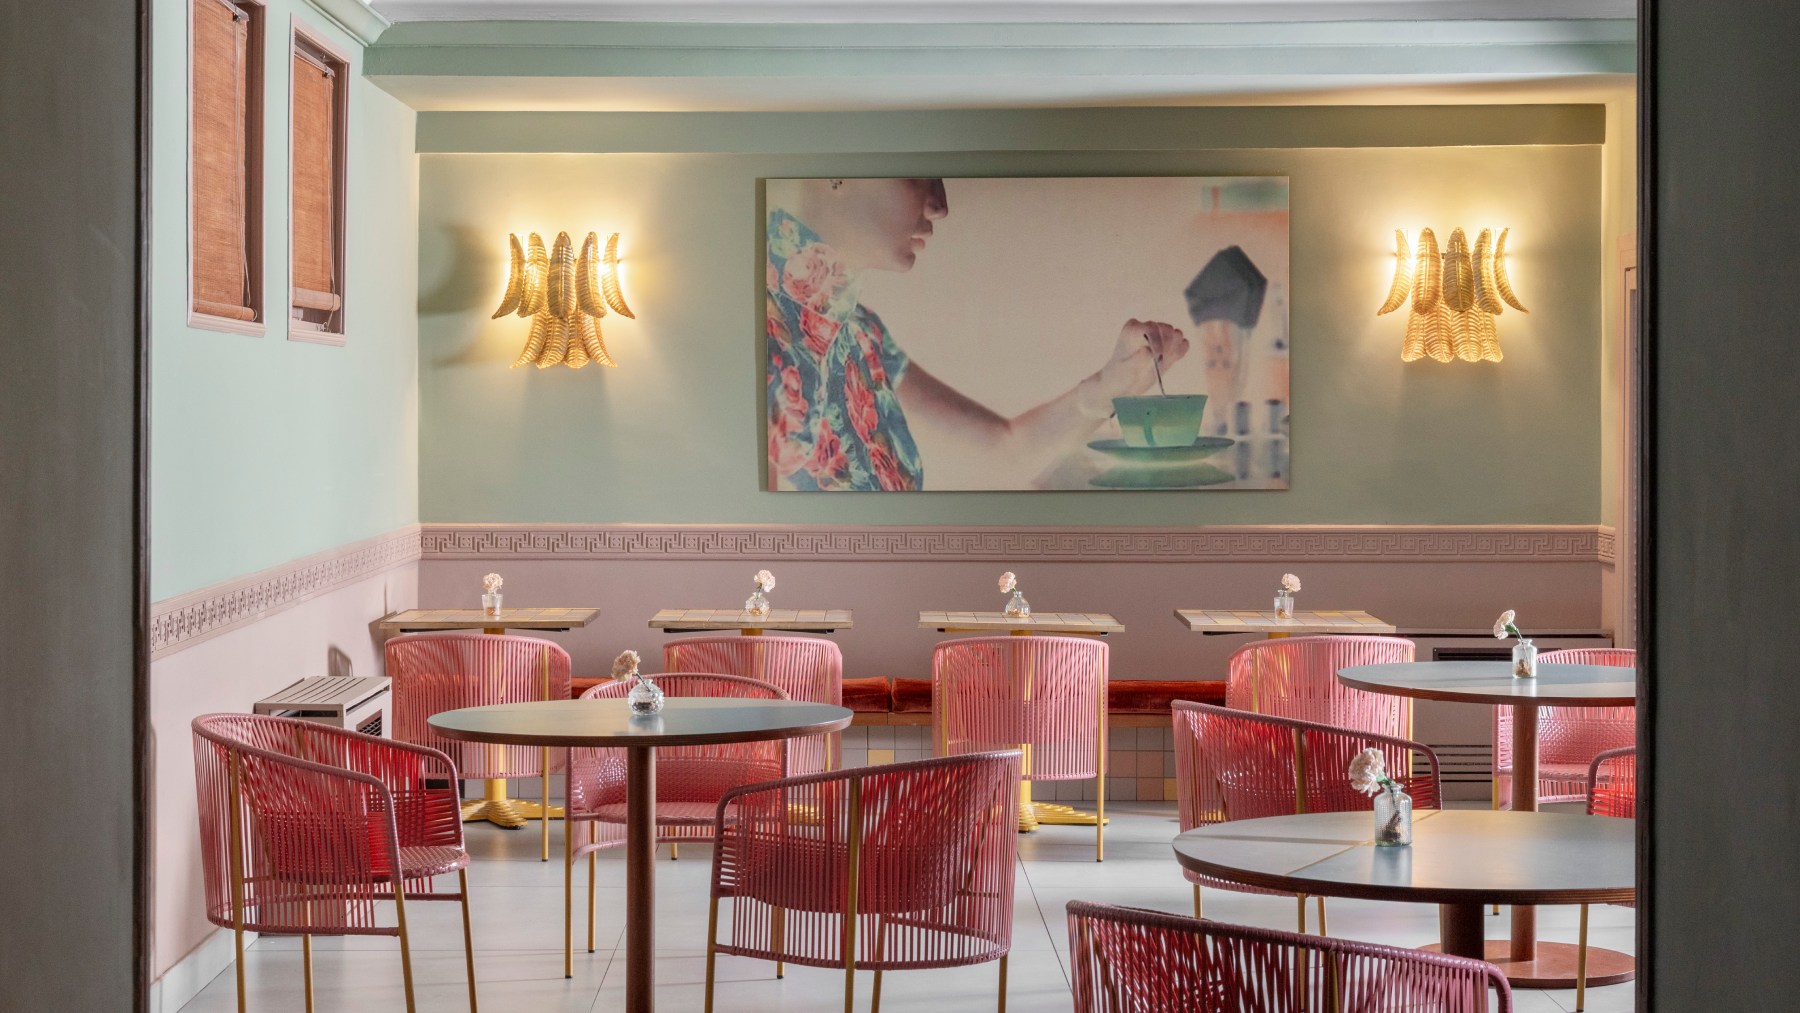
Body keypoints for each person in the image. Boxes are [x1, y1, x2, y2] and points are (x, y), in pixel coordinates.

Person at [767, 177, 1190, 491]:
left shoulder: (860, 333)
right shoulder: (753, 332)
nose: (940, 205)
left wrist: (1109, 386)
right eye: (920, 170)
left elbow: (1005, 454)